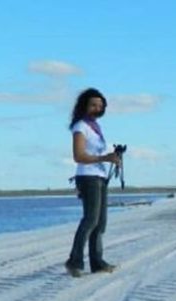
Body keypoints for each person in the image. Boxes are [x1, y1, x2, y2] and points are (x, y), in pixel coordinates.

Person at [65, 88, 121, 277]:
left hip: (99, 177)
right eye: (93, 105)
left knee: (100, 223)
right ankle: (74, 261)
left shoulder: (95, 127)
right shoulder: (80, 126)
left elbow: (99, 154)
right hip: (88, 177)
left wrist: (113, 157)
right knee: (90, 220)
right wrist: (105, 158)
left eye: (100, 105)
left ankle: (97, 262)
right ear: (84, 106)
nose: (97, 108)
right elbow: (79, 156)